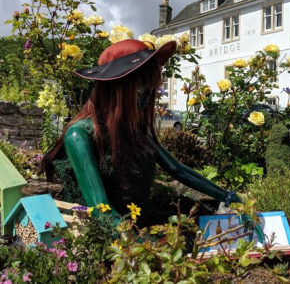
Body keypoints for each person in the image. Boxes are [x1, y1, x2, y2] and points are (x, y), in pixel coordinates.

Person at [41, 39, 262, 240]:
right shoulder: (80, 136)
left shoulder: (136, 132)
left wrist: (228, 195)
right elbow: (101, 209)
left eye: (151, 89)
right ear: (116, 88)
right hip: (107, 231)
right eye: (140, 88)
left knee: (201, 219)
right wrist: (144, 247)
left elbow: (177, 169)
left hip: (143, 217)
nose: (148, 97)